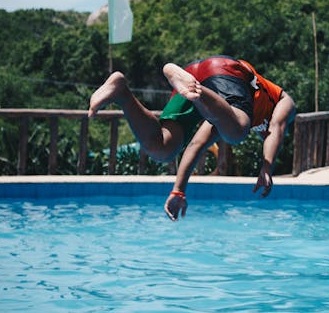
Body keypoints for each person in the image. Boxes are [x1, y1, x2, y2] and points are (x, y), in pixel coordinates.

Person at [88, 55, 296, 221]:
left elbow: (197, 144)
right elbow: (275, 129)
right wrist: (267, 168)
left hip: (196, 78)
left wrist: (178, 191)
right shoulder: (283, 100)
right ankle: (194, 90)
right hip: (223, 71)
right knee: (237, 133)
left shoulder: (226, 115)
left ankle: (121, 91)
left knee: (162, 148)